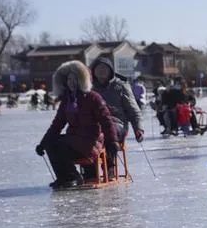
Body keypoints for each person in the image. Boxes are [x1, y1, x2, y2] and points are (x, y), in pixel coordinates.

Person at [35, 60, 119, 189]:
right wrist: (43, 143)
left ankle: (73, 177)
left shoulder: (93, 97)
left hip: (91, 141)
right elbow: (57, 125)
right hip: (74, 139)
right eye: (69, 80)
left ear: (82, 80)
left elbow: (106, 120)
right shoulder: (66, 100)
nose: (72, 83)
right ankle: (64, 177)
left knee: (60, 146)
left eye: (75, 79)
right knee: (51, 144)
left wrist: (112, 141)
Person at [90, 56, 144, 177]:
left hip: (117, 124)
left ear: (111, 70)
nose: (101, 71)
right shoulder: (90, 88)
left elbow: (133, 110)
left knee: (107, 131)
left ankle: (110, 166)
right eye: (98, 68)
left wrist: (138, 129)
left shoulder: (120, 86)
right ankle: (89, 170)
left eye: (105, 68)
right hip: (95, 123)